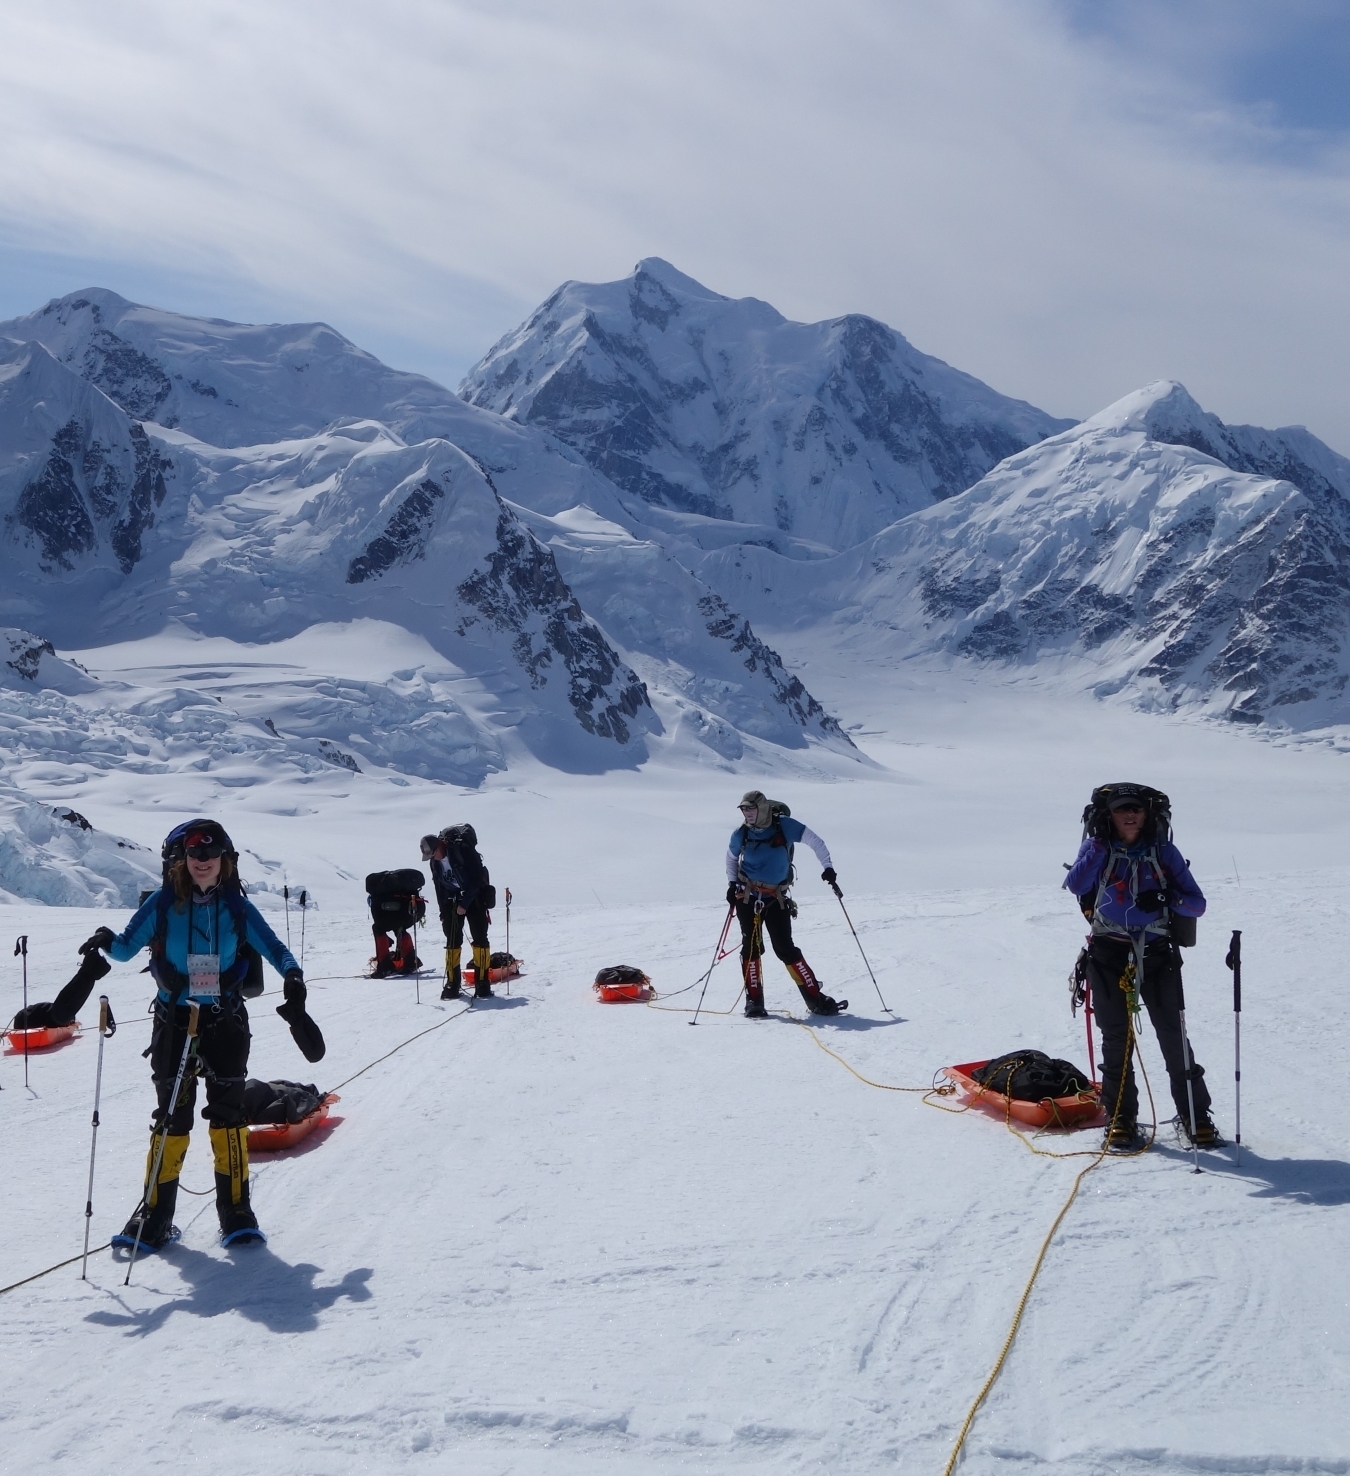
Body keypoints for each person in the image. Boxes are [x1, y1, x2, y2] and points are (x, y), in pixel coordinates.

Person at [81, 819, 304, 1249]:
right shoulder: (165, 904)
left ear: (225, 858)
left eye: (210, 852)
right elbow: (127, 947)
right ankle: (155, 1213)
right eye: (194, 854)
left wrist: (292, 975)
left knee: (228, 1115)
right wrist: (106, 940)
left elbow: (274, 948)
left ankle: (236, 1210)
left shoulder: (237, 908)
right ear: (182, 859)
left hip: (224, 1020)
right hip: (174, 1020)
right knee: (171, 1117)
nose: (202, 861)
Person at [1064, 784, 1220, 1152]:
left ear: (1148, 815)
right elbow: (1075, 885)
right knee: (1116, 1040)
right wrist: (1097, 849)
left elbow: (1197, 904)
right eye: (1121, 810)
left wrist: (1169, 897)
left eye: (1136, 809)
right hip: (1108, 954)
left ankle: (1195, 1117)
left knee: (1173, 1038)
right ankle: (1121, 1118)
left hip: (1156, 955)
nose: (1130, 815)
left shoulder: (1163, 852)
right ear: (1109, 815)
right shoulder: (1097, 848)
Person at [725, 791, 845, 1018]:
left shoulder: (784, 826)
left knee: (785, 948)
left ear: (762, 808)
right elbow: (731, 858)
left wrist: (827, 867)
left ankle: (814, 998)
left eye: (750, 809)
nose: (747, 814)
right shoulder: (742, 833)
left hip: (776, 897)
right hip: (748, 897)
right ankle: (754, 1002)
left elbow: (815, 841)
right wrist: (732, 885)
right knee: (751, 948)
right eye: (744, 809)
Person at [422, 825, 494, 1000]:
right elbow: (439, 887)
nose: (433, 858)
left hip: (474, 898)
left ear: (439, 846)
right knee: (452, 940)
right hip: (451, 901)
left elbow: (477, 879)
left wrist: (465, 903)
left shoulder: (461, 851)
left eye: (433, 854)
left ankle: (482, 983)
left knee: (479, 938)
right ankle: (452, 983)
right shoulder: (435, 863)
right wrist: (443, 912)